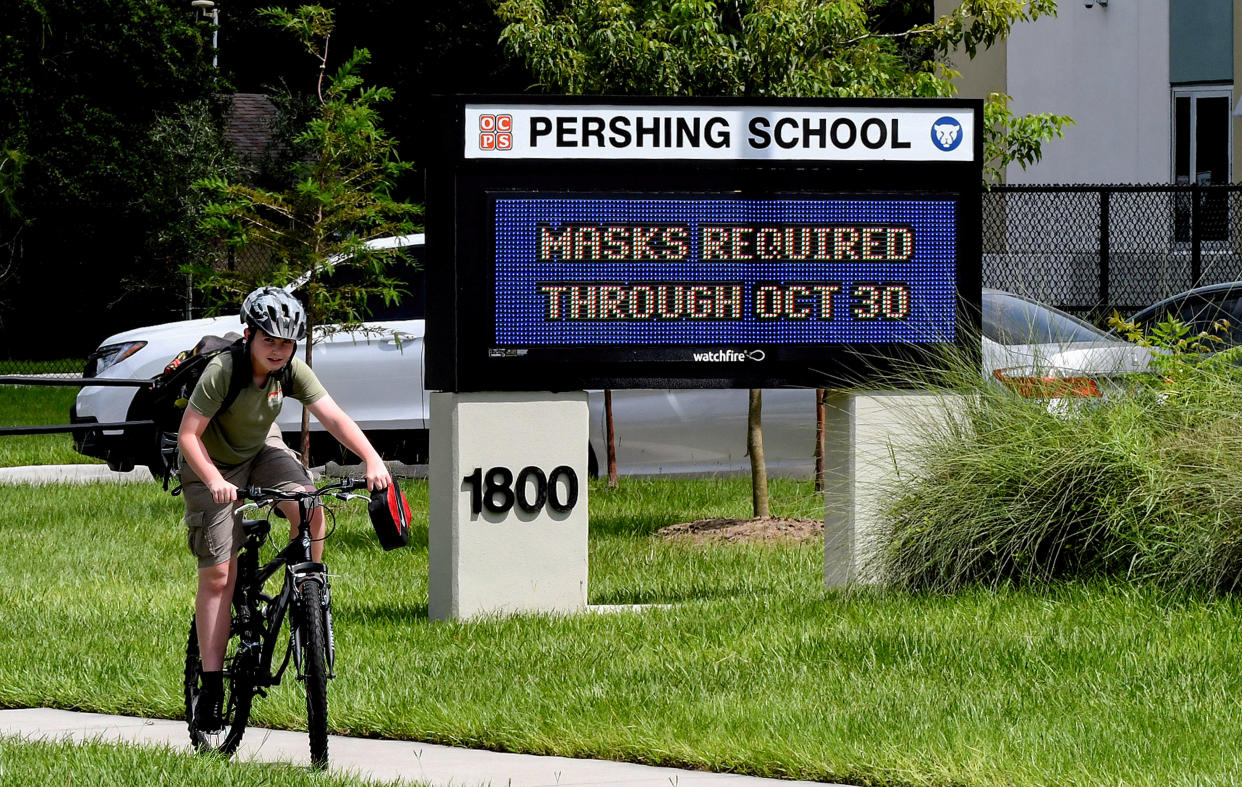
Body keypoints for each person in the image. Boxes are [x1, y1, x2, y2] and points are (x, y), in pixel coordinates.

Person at [178, 286, 392, 731]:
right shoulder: (224, 370)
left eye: (287, 342)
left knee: (310, 505)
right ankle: (212, 689)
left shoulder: (291, 369)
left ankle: (309, 598)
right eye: (269, 340)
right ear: (249, 335)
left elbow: (333, 416)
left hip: (260, 449)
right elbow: (188, 436)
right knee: (220, 574)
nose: (278, 351)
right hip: (210, 462)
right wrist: (216, 481)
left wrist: (372, 458)